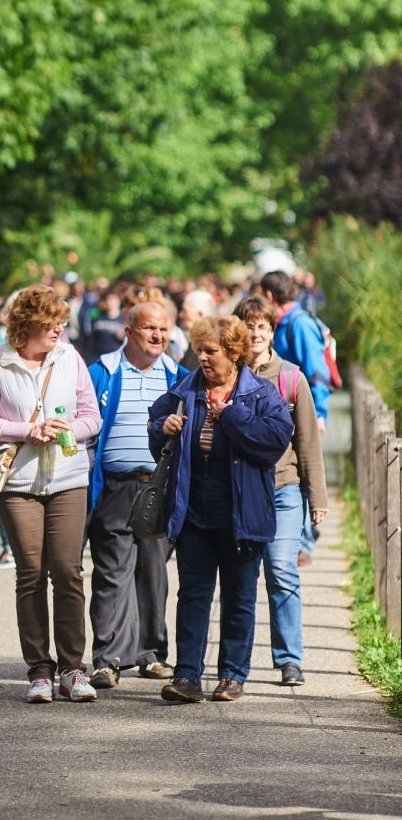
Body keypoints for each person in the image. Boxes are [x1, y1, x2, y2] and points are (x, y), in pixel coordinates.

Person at [149, 315, 293, 703]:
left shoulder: (261, 394)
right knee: (193, 595)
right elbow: (154, 422)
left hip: (243, 516)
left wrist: (230, 415)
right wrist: (163, 426)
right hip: (193, 511)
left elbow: (273, 442)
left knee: (239, 597)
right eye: (199, 351)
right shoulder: (185, 389)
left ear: (233, 353)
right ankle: (187, 677)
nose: (203, 358)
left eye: (210, 351)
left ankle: (231, 675)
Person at [0, 285, 102, 703]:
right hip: (18, 482)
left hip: (67, 477)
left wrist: (68, 430)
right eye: (52, 323)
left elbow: (91, 417)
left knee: (67, 571)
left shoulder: (70, 357)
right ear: (27, 324)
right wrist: (29, 430)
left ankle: (72, 669)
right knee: (30, 574)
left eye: (62, 322)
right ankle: (39, 671)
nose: (60, 329)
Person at [87, 302, 187, 689]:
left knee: (153, 572)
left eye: (164, 329)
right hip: (115, 485)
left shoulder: (179, 377)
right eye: (149, 328)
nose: (158, 336)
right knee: (112, 572)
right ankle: (108, 658)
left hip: (160, 486)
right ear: (128, 332)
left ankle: (150, 654)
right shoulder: (102, 373)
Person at [235, 295, 328, 685]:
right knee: (240, 579)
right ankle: (233, 666)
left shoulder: (290, 377)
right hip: (239, 491)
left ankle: (289, 658)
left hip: (284, 489)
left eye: (263, 326)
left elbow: (307, 440)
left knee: (281, 571)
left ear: (272, 331)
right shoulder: (226, 373)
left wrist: (317, 498)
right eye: (249, 326)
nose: (256, 333)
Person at [260, 271, 330, 433]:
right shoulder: (279, 324)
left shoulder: (300, 325)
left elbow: (317, 370)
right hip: (283, 413)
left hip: (301, 413)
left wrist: (319, 414)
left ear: (269, 296)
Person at [178, 290, 218, 371]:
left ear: (200, 314)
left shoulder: (206, 347)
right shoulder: (196, 343)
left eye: (185, 310)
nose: (181, 315)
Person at [86, 287, 126, 364]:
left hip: (116, 359)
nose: (111, 302)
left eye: (114, 299)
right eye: (108, 299)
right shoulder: (96, 317)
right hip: (97, 358)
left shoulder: (124, 318)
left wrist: (123, 336)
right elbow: (90, 339)